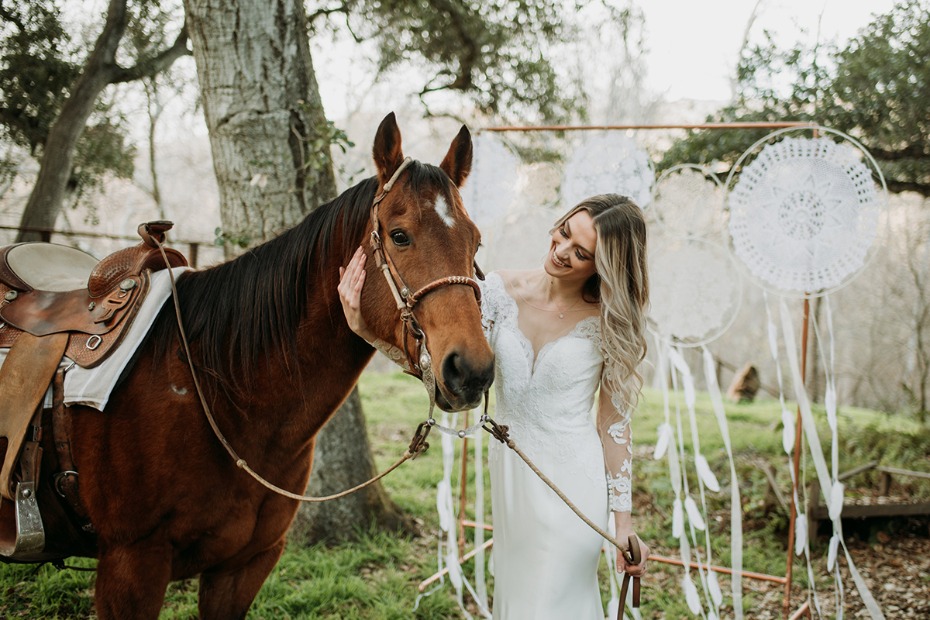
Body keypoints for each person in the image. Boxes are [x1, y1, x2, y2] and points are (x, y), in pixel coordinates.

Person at [338, 193, 650, 619]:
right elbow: (447, 379)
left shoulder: (609, 321)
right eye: (562, 233)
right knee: (519, 603)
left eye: (580, 253)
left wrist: (623, 521)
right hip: (512, 483)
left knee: (552, 604)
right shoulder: (499, 291)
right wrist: (365, 331)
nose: (560, 251)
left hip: (574, 486)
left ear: (603, 265)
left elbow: (613, 424)